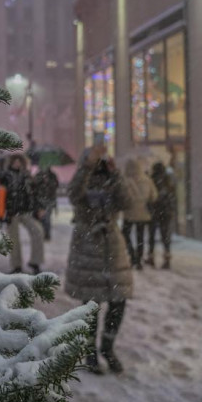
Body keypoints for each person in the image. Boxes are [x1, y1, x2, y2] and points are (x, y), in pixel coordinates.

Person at [65, 146, 133, 374]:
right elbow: (74, 195)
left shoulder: (113, 179)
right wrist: (86, 168)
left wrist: (116, 174)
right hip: (88, 246)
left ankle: (108, 347)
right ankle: (90, 351)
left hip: (112, 247)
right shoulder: (82, 179)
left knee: (118, 300)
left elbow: (127, 202)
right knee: (91, 305)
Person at [3, 153, 45, 274]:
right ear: (11, 163)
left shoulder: (27, 176)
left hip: (26, 212)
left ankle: (35, 262)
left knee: (38, 231)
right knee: (14, 239)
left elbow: (35, 193)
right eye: (15, 161)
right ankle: (16, 266)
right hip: (11, 213)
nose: (17, 163)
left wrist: (40, 207)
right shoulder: (5, 176)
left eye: (19, 161)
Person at [121, 158, 156, 271]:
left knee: (125, 234)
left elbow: (122, 196)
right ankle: (139, 260)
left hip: (129, 213)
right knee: (140, 237)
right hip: (144, 213)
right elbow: (154, 196)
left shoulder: (125, 181)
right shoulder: (147, 180)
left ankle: (132, 255)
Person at [148, 162, 177, 269]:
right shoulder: (168, 181)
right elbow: (172, 197)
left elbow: (150, 196)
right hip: (166, 212)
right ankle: (167, 257)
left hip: (155, 211)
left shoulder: (152, 180)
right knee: (165, 236)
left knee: (152, 235)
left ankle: (151, 257)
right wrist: (171, 209)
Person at [33, 164, 60, 241]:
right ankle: (42, 233)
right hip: (40, 200)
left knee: (47, 218)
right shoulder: (37, 175)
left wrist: (49, 182)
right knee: (40, 218)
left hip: (49, 200)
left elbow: (56, 185)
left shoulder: (52, 175)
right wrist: (42, 180)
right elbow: (34, 186)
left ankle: (47, 234)